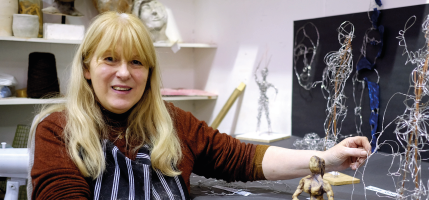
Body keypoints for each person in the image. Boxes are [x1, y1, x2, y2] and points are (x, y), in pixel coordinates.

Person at [29, 12, 371, 199]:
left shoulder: (174, 124)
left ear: (149, 72)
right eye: (109, 59)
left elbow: (244, 159)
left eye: (136, 61)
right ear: (87, 68)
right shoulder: (59, 129)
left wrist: (327, 159)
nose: (124, 73)